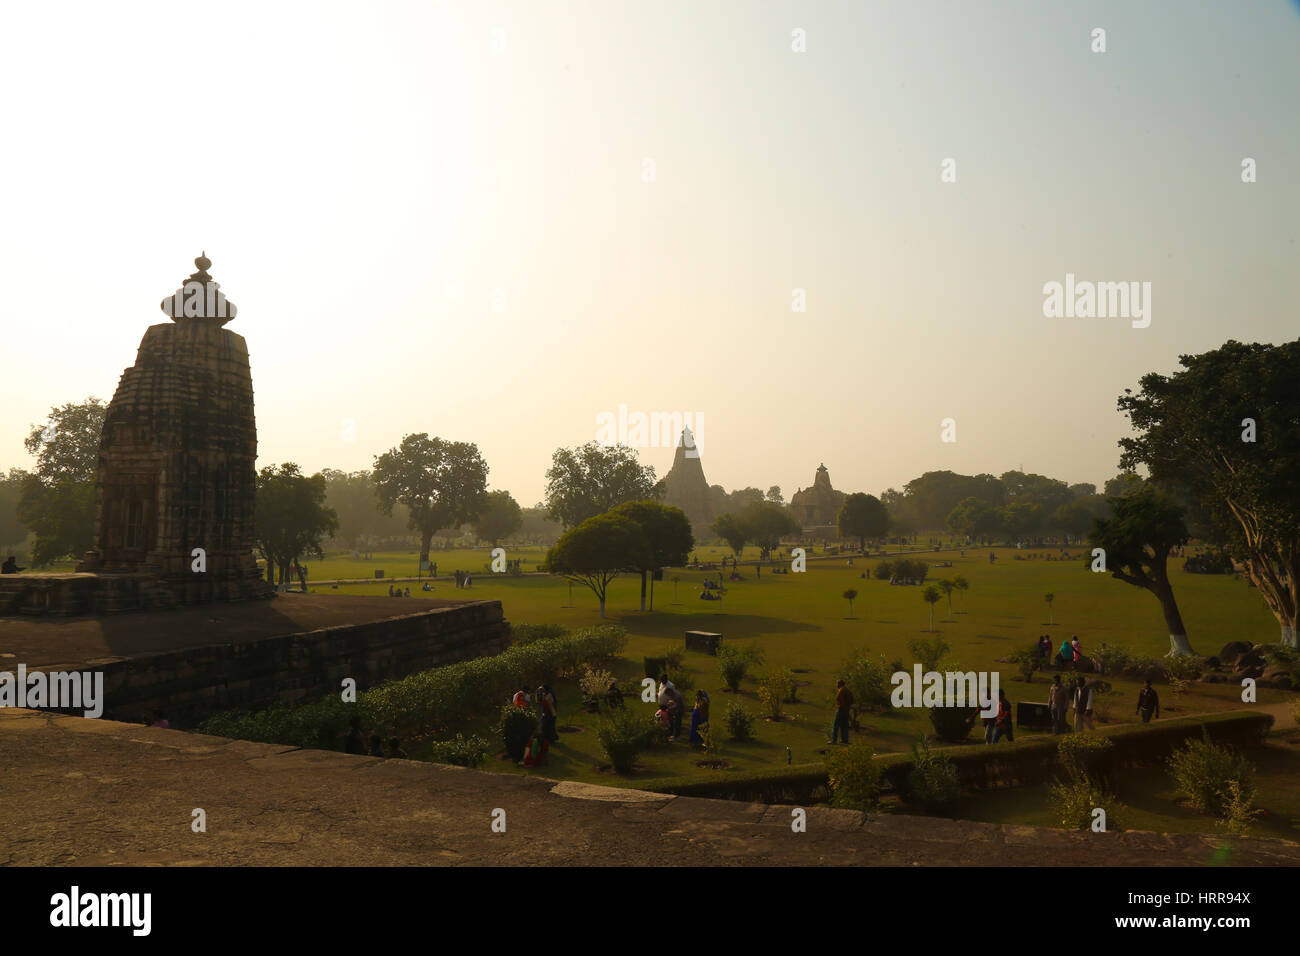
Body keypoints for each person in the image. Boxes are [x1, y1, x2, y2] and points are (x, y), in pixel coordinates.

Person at [831, 678, 853, 745]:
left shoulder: (841, 690)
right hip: (847, 709)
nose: (836, 685)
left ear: (840, 684)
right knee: (845, 725)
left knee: (836, 725)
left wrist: (842, 706)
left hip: (841, 709)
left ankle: (834, 740)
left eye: (837, 683)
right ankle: (845, 740)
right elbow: (852, 699)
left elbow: (838, 698)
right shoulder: (848, 690)